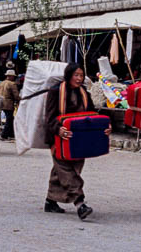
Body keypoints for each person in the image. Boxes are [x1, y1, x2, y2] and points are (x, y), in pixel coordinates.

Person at [44, 62, 110, 220]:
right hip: (59, 139)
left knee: (65, 170)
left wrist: (104, 127)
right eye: (76, 75)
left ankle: (50, 201)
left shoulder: (84, 93)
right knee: (67, 170)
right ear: (68, 75)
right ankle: (80, 204)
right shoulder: (55, 92)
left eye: (81, 75)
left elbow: (92, 114)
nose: (79, 79)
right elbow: (49, 117)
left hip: (80, 140)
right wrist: (58, 129)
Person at [0, 69, 20, 140]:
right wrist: (20, 100)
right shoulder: (12, 84)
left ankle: (11, 133)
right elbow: (16, 96)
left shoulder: (1, 83)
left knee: (10, 118)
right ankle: (4, 134)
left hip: (1, 103)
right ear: (11, 76)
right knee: (9, 119)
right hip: (8, 104)